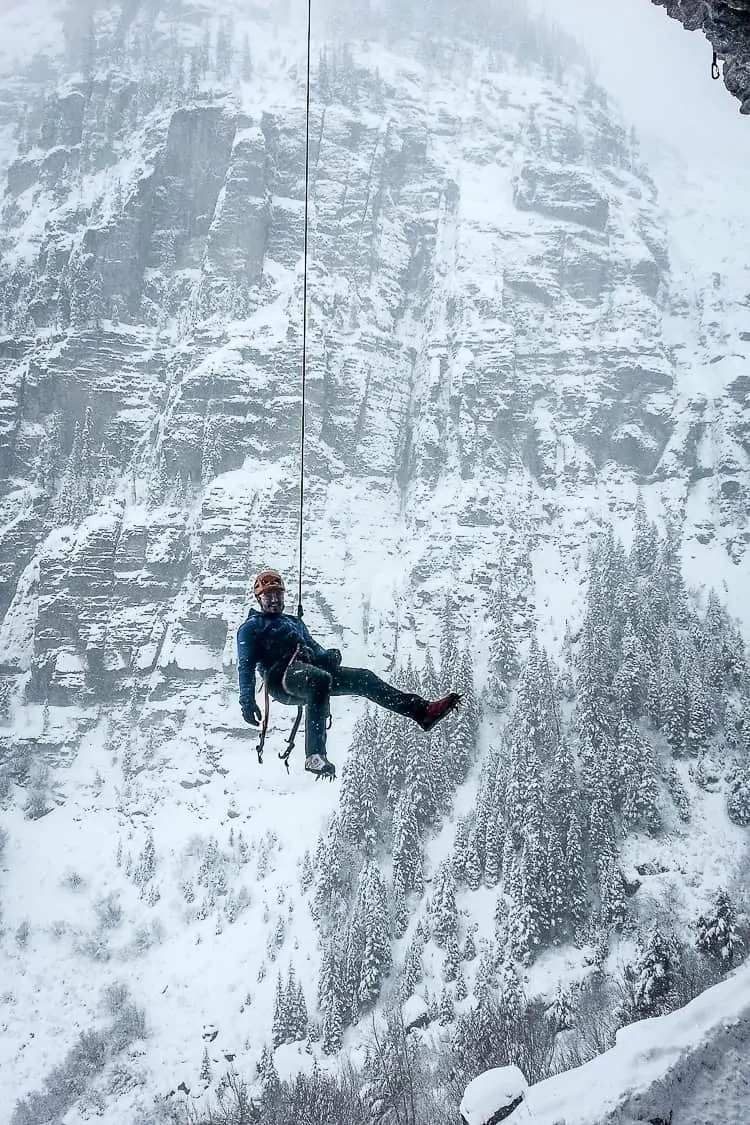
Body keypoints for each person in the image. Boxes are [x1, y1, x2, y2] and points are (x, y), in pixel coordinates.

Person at [237, 569, 461, 779]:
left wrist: (328, 657)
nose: (274, 600)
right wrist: (247, 701)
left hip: (307, 673)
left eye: (278, 594)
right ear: (259, 599)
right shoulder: (251, 627)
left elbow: (314, 649)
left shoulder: (295, 623)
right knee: (319, 679)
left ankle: (422, 712)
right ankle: (314, 755)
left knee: (363, 678)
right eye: (268, 596)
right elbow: (245, 666)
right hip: (280, 679)